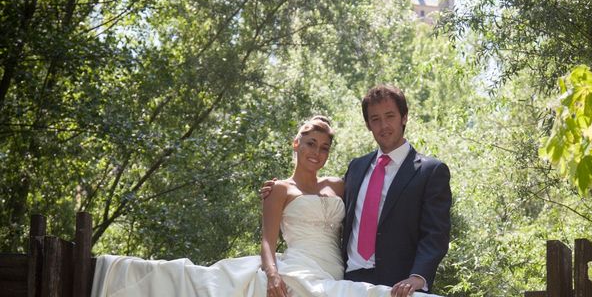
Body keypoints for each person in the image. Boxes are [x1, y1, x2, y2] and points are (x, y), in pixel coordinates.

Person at [90, 116, 442, 297]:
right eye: (310, 144)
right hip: (299, 265)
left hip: (335, 270)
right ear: (296, 144)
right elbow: (266, 242)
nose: (316, 153)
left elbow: (379, 204)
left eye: (323, 148)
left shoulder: (339, 184)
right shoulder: (278, 190)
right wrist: (273, 274)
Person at [262, 84, 451, 295]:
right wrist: (278, 189)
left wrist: (418, 277)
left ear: (404, 117)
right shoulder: (356, 168)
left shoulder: (430, 171)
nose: (383, 125)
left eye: (390, 116)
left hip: (400, 284)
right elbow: (314, 196)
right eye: (375, 119)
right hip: (346, 281)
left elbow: (436, 235)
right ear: (368, 124)